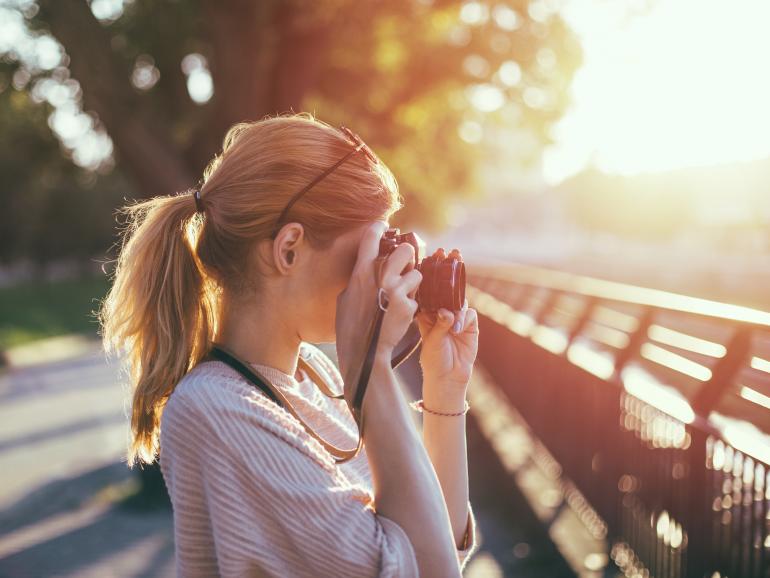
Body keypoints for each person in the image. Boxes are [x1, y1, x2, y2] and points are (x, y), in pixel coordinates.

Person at [98, 112, 480, 577]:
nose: (379, 272)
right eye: (368, 251)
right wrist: (372, 367)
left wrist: (445, 389)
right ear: (289, 249)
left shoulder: (312, 374)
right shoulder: (216, 410)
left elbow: (432, 546)